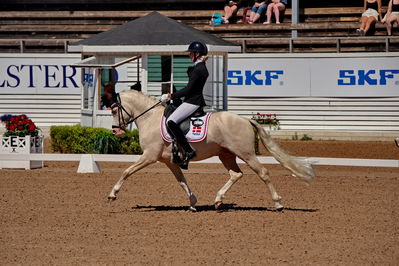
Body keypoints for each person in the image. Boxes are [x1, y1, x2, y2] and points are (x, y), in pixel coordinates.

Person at [160, 41, 209, 164]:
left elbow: (188, 89)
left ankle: (188, 151)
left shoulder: (199, 69)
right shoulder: (199, 67)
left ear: (197, 53)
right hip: (191, 100)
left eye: (191, 53)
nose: (189, 55)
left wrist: (171, 96)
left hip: (193, 101)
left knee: (171, 121)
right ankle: (177, 148)